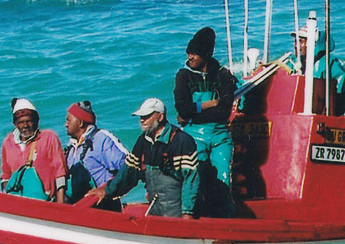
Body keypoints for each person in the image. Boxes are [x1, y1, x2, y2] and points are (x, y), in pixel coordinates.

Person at [88, 98, 201, 218]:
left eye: (147, 116)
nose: (142, 120)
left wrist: (187, 213)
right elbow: (128, 174)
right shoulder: (143, 141)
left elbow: (191, 180)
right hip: (155, 209)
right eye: (141, 117)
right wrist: (107, 191)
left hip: (177, 212)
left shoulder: (182, 141)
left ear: (160, 117)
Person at [173, 26, 237, 217]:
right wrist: (211, 104)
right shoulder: (183, 75)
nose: (190, 57)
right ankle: (191, 215)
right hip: (193, 135)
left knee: (223, 179)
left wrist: (193, 113)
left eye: (194, 53)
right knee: (194, 177)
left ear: (206, 54)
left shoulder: (223, 75)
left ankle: (225, 218)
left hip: (220, 135)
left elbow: (225, 110)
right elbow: (182, 108)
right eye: (189, 53)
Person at [0, 98, 67, 202]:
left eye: (29, 121)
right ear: (15, 124)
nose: (25, 126)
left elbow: (60, 172)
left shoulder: (49, 138)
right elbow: (6, 176)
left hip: (46, 201)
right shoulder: (8, 143)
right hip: (18, 202)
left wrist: (60, 204)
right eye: (21, 122)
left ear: (36, 121)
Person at [63, 100, 128, 203]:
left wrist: (107, 189)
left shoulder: (101, 139)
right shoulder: (70, 147)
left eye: (68, 120)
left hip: (103, 205)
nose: (65, 124)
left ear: (80, 123)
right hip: (78, 206)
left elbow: (128, 166)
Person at [291, 29, 345, 117]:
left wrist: (344, 116)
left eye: (300, 41)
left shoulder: (328, 63)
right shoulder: (293, 64)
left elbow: (344, 95)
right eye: (295, 41)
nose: (296, 45)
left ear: (313, 43)